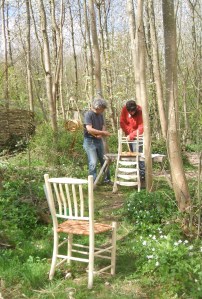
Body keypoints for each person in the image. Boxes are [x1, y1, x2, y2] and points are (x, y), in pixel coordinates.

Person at [83, 98, 111, 183]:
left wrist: (100, 133)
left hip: (98, 141)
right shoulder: (88, 114)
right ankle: (92, 182)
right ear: (98, 107)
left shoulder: (100, 115)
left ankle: (107, 179)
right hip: (90, 141)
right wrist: (102, 132)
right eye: (102, 108)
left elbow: (103, 126)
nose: (103, 110)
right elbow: (89, 129)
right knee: (93, 162)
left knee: (104, 160)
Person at [120, 99, 145, 183]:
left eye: (133, 111)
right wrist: (129, 133)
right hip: (128, 135)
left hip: (138, 136)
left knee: (139, 155)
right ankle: (135, 175)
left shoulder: (140, 110)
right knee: (132, 155)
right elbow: (122, 122)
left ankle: (142, 177)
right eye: (130, 112)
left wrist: (132, 135)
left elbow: (141, 127)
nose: (132, 113)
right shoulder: (124, 109)